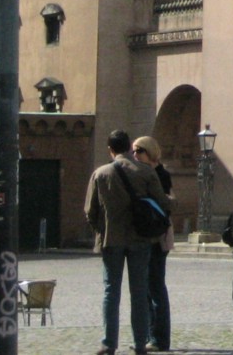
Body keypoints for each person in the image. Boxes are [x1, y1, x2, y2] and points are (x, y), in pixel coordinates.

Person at [85, 128, 171, 355]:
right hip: (140, 238)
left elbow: (90, 211)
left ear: (110, 150)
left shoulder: (101, 173)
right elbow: (163, 203)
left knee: (111, 292)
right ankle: (140, 343)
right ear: (128, 147)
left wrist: (101, 230)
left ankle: (109, 343)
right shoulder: (145, 172)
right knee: (139, 291)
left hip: (111, 238)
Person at [131, 136, 174, 351]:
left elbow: (164, 204)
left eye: (139, 151)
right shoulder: (148, 173)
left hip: (156, 235)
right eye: (133, 151)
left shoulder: (159, 175)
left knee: (155, 287)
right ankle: (152, 336)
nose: (135, 155)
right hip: (149, 234)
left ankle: (159, 338)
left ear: (150, 152)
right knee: (149, 288)